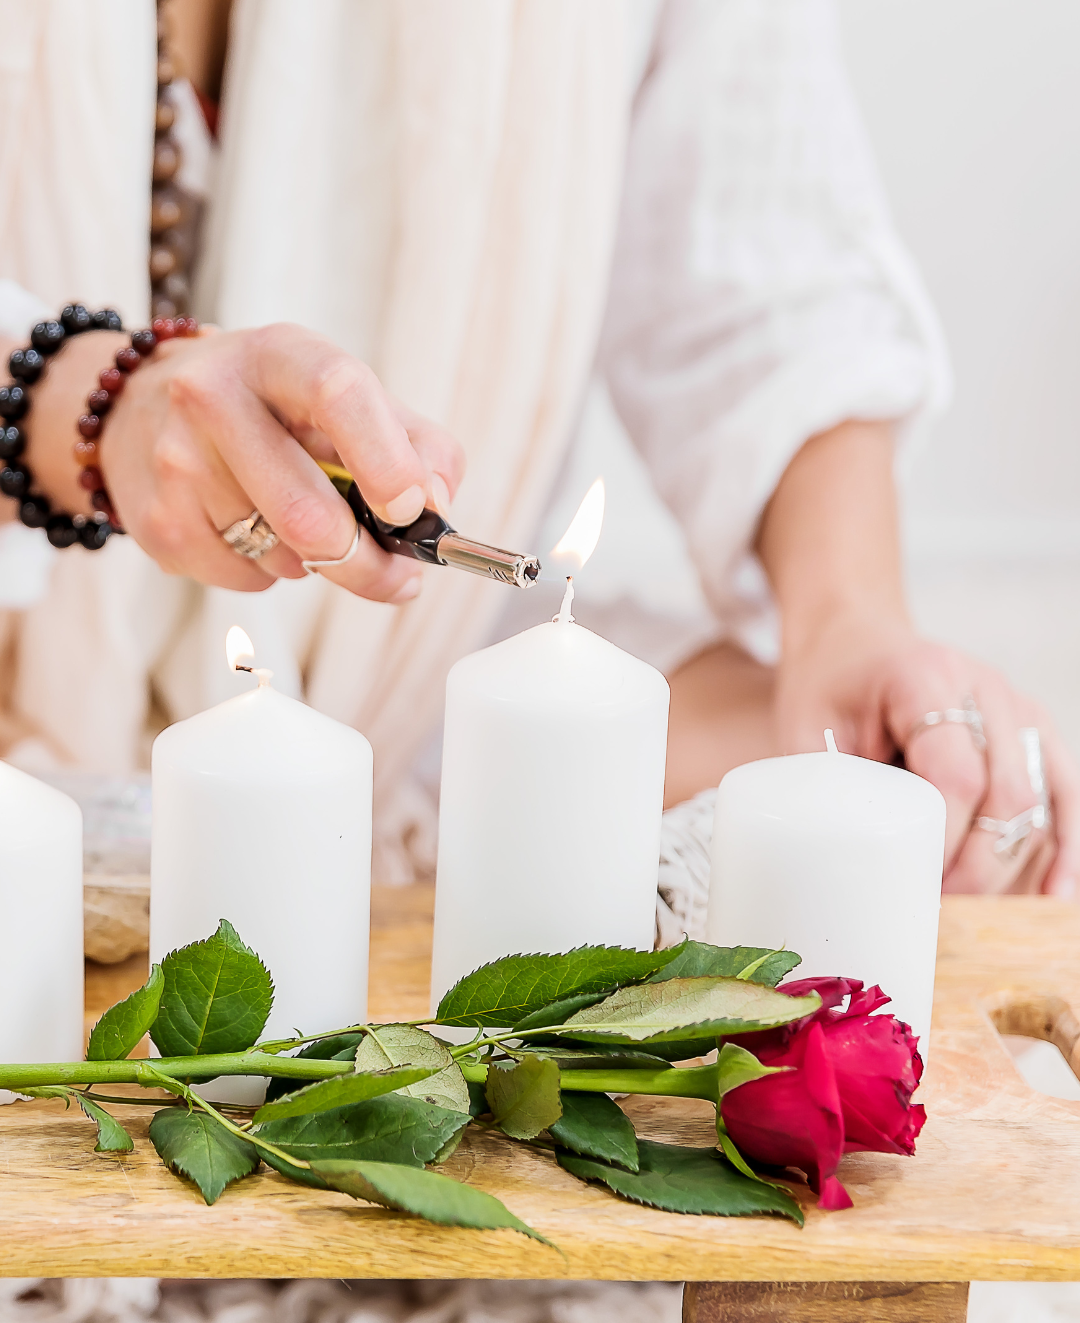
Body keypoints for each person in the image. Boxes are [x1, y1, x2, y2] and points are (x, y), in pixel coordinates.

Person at [0, 0, 1073, 895]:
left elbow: (764, 266)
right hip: (25, 680)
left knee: (873, 795)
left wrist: (850, 621)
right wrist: (82, 407)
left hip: (396, 683)